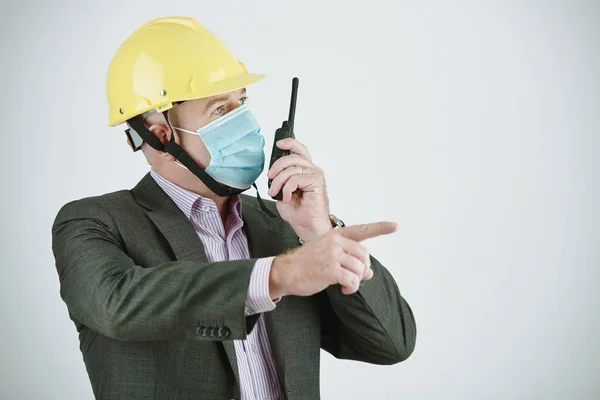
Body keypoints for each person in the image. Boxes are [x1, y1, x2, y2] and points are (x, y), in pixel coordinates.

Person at [51, 16, 417, 400]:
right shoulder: (94, 222)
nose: (244, 121)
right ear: (161, 136)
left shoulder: (282, 228)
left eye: (241, 102)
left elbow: (392, 343)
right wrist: (278, 275)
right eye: (220, 111)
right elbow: (116, 305)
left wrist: (319, 231)